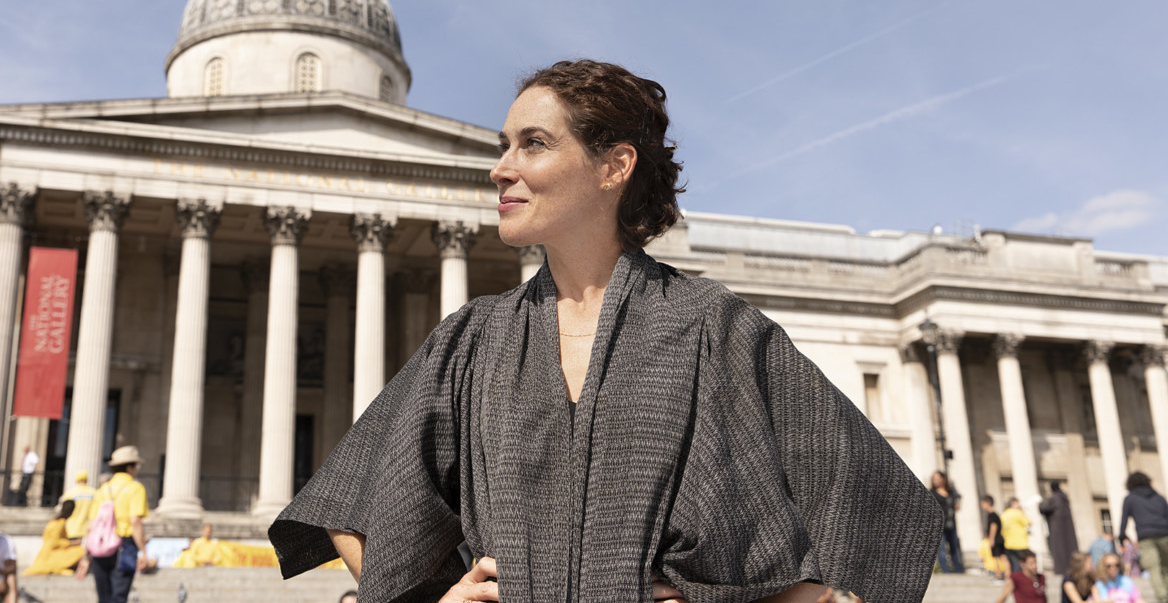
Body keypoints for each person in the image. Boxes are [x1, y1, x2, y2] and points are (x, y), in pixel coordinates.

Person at [268, 60, 944, 603]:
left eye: (532, 143)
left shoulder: (717, 327)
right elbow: (349, 500)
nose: (500, 166)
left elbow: (878, 511)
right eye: (505, 145)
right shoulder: (470, 338)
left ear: (614, 166)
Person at [80, 445, 149, 603]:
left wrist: (85, 556)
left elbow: (91, 525)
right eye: (136, 466)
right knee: (119, 596)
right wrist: (143, 550)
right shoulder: (136, 488)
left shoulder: (103, 490)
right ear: (130, 467)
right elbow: (135, 521)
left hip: (100, 546)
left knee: (104, 597)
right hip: (124, 546)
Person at [1119, 471, 1168, 602]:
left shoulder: (1130, 498)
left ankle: (1163, 598)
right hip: (1165, 533)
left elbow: (1124, 520)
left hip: (1145, 536)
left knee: (1154, 568)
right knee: (1166, 567)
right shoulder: (1159, 497)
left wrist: (1122, 537)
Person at [25, 499, 85, 576]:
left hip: (47, 551)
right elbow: (54, 543)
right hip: (51, 553)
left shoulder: (55, 521)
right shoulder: (60, 523)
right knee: (81, 551)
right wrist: (74, 542)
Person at [1042, 481, 1080, 576]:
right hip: (1066, 529)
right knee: (1068, 549)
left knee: (1059, 550)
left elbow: (1044, 508)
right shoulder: (1064, 498)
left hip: (1057, 528)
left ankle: (1061, 570)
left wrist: (1039, 503)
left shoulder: (1054, 498)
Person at [930, 471, 963, 573]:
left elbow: (957, 501)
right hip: (939, 526)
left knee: (954, 548)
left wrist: (956, 505)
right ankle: (946, 571)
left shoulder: (951, 492)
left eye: (938, 478)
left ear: (943, 479)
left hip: (951, 524)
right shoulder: (931, 493)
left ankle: (958, 570)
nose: (935, 480)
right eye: (934, 478)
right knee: (942, 549)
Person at [59, 470, 96, 539]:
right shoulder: (94, 493)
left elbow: (63, 510)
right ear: (87, 480)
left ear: (76, 480)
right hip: (88, 530)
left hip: (71, 529)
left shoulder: (70, 493)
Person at [1002, 497, 1032, 574]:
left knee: (1013, 563)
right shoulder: (1018, 513)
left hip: (1008, 543)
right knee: (1020, 565)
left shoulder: (1004, 514)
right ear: (1014, 504)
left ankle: (1014, 580)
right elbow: (1028, 522)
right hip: (1020, 543)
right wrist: (1022, 511)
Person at [982, 495, 1009, 581]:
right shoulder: (995, 514)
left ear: (988, 503)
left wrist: (991, 539)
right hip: (1000, 538)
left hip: (996, 539)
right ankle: (1008, 574)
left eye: (983, 503)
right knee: (1003, 557)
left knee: (997, 558)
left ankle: (999, 575)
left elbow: (993, 526)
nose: (982, 506)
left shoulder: (992, 515)